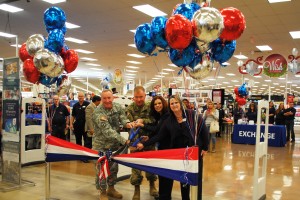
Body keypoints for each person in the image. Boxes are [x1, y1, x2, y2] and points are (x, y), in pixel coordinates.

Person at [137, 95, 209, 200]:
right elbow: (159, 136)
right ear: (169, 106)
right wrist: (144, 144)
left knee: (194, 179)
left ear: (180, 103)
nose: (174, 105)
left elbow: (203, 130)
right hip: (180, 155)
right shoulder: (169, 121)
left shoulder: (191, 114)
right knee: (184, 179)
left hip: (194, 154)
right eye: (172, 103)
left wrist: (205, 147)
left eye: (176, 102)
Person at [92, 89, 132, 199]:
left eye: (109, 98)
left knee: (113, 168)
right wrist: (123, 141)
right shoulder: (98, 112)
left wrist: (128, 124)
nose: (107, 100)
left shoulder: (118, 107)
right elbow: (108, 131)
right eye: (104, 98)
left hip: (114, 145)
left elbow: (123, 119)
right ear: (101, 99)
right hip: (101, 146)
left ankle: (111, 188)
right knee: (102, 169)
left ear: (113, 98)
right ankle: (102, 191)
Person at [126, 86, 158, 200]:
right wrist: (130, 124)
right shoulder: (129, 108)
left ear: (145, 96)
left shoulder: (151, 107)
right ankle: (136, 190)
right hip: (135, 143)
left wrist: (143, 121)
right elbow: (127, 122)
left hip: (149, 142)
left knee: (150, 166)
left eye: (141, 97)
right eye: (136, 97)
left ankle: (152, 186)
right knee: (135, 168)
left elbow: (155, 122)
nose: (139, 99)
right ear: (133, 97)